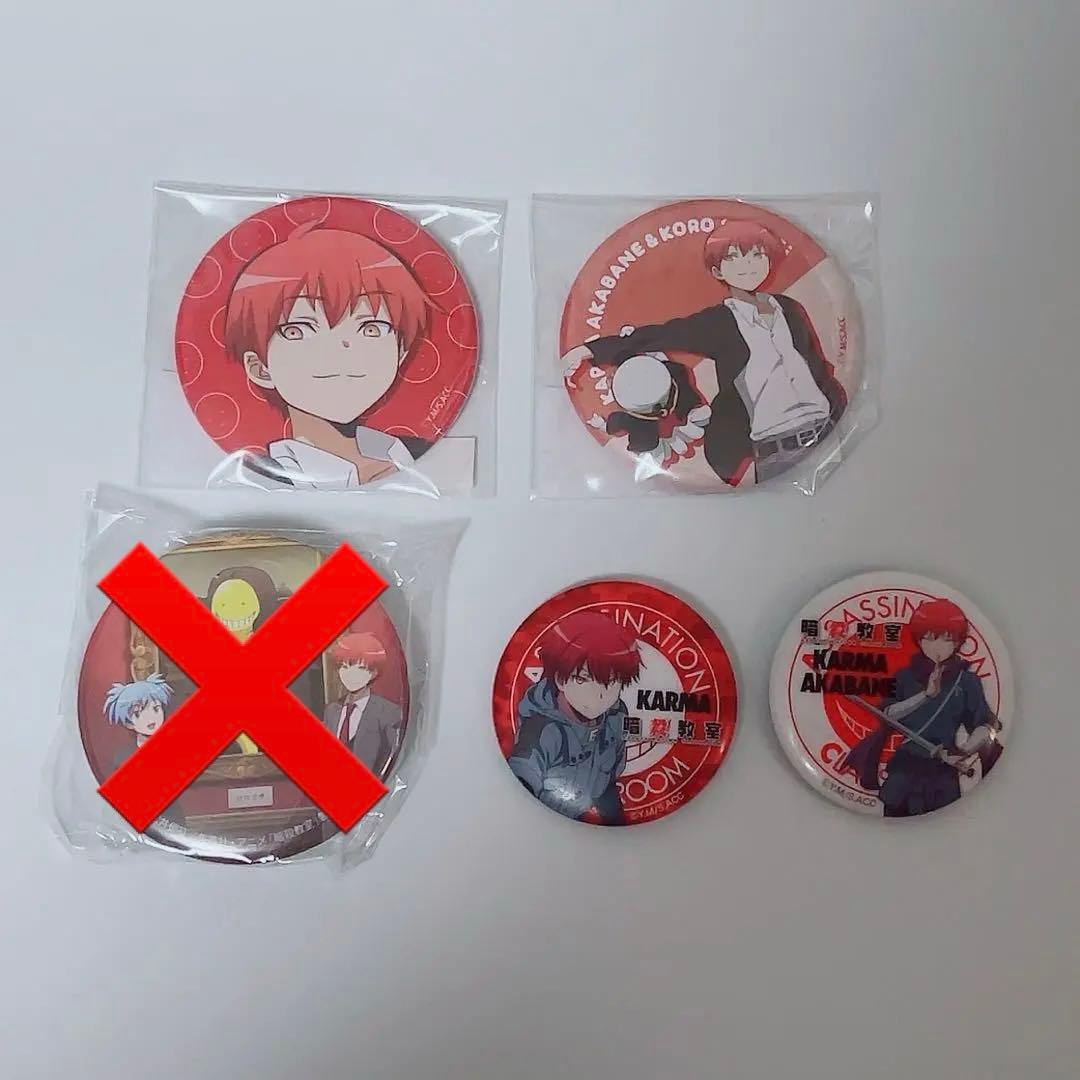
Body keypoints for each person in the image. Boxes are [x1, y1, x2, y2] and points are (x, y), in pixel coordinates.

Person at [563, 220, 846, 484]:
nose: (747, 265)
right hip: (774, 450)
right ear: (717, 271)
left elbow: (816, 362)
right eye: (734, 258)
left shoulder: (790, 308)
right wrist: (589, 350)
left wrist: (839, 405)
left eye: (756, 255)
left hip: (830, 431)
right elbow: (661, 334)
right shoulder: (717, 323)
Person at [224, 222, 437, 489]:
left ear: (400, 354)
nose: (343, 348)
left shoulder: (421, 452)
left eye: (371, 328)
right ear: (260, 368)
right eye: (298, 330)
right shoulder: (266, 475)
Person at [842, 599, 1003, 816]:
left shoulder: (967, 682)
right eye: (930, 638)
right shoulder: (904, 677)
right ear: (919, 640)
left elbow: (984, 725)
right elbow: (887, 715)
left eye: (947, 639)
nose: (937, 646)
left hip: (943, 774)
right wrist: (925, 696)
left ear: (957, 642)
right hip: (904, 773)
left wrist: (963, 752)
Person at [507, 611, 642, 825]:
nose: (599, 694)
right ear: (560, 680)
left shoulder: (615, 719)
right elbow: (521, 777)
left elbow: (605, 785)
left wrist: (619, 827)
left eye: (612, 682)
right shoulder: (543, 731)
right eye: (583, 679)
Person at [324, 632, 402, 778]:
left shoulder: (388, 713)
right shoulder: (332, 711)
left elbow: (395, 762)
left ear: (374, 672)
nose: (349, 674)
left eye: (359, 668)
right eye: (344, 666)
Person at [103, 674, 173, 748]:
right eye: (138, 713)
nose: (150, 717)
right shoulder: (127, 753)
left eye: (156, 709)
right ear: (128, 723)